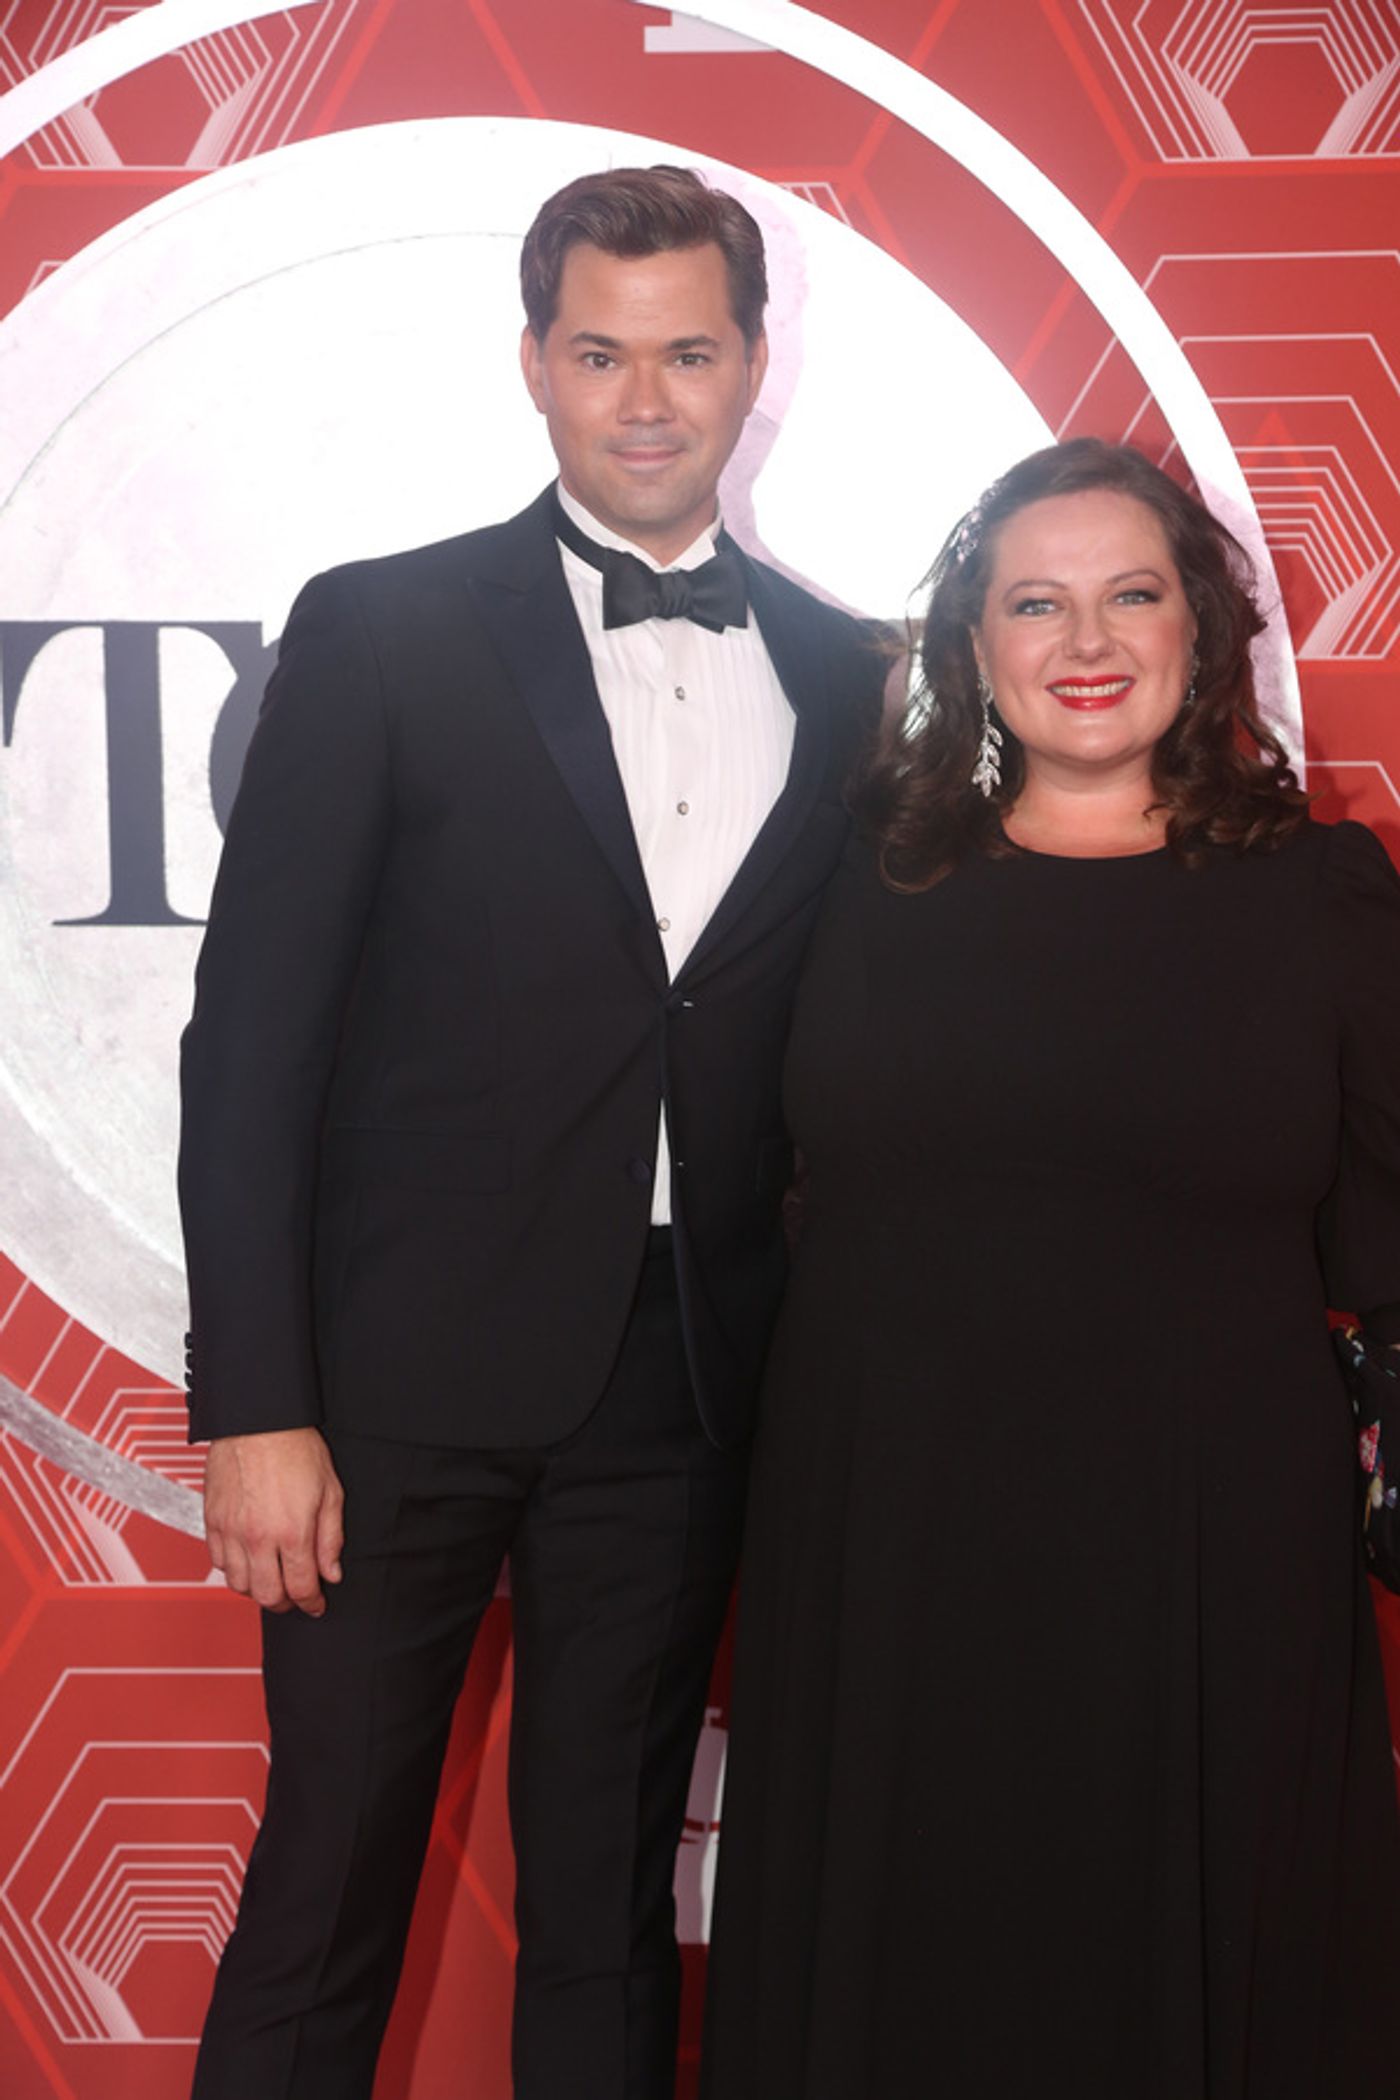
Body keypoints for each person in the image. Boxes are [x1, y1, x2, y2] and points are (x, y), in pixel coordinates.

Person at [178, 164, 882, 2100]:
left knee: (609, 1908)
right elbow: (250, 1047)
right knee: (326, 1890)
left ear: (755, 363)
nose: (642, 397)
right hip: (385, 1397)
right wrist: (254, 1401)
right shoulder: (387, 631)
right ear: (532, 365)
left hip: (681, 1387)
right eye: (598, 352)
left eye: (684, 351)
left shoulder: (846, 679)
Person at [700, 438, 1400, 2100]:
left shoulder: (1325, 895)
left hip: (1210, 1556)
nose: (1088, 640)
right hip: (893, 1541)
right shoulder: (853, 885)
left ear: (1200, 627)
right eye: (1038, 602)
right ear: (978, 648)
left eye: (1131, 594)